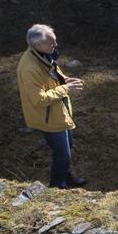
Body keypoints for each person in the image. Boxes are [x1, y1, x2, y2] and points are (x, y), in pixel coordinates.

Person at [17, 24, 86, 188]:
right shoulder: (30, 68)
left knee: (67, 149)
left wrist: (66, 80)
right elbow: (39, 100)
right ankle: (57, 187)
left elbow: (53, 75)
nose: (55, 45)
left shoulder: (43, 55)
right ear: (38, 45)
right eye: (52, 43)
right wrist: (66, 89)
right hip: (48, 119)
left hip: (58, 113)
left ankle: (67, 177)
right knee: (62, 154)